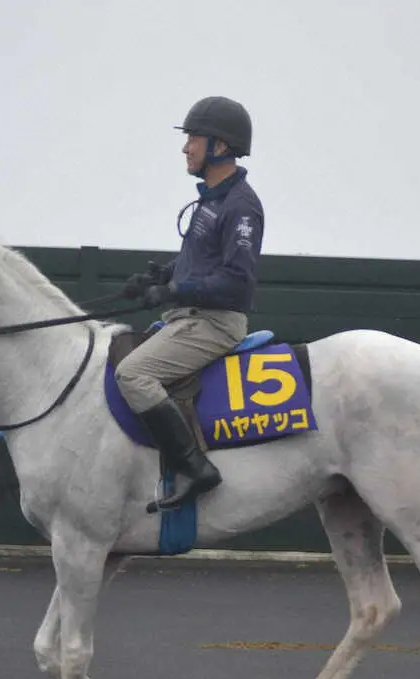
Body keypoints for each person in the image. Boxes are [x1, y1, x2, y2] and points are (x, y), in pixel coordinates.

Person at [115, 95, 265, 511]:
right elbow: (200, 261)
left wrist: (176, 291)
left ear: (219, 146)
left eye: (193, 139)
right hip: (189, 318)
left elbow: (236, 282)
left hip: (215, 324)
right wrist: (163, 275)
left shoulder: (241, 206)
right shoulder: (212, 199)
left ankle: (195, 468)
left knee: (133, 374)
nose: (186, 148)